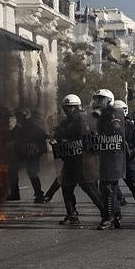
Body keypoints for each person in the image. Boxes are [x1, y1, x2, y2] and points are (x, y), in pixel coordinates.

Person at [52, 94, 103, 225]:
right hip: (69, 160)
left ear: (77, 107)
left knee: (90, 188)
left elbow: (87, 138)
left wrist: (67, 139)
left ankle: (106, 213)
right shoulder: (65, 122)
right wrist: (58, 140)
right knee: (66, 187)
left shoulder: (85, 120)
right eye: (66, 108)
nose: (69, 110)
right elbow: (59, 135)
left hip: (84, 160)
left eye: (72, 107)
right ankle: (71, 214)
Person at [90, 89, 125, 230]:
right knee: (107, 188)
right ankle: (116, 215)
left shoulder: (113, 114)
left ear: (109, 100)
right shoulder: (100, 116)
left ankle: (108, 217)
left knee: (108, 187)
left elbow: (117, 131)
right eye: (97, 99)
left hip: (114, 156)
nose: (99, 102)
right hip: (105, 156)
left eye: (102, 99)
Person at [7, 108, 48, 203]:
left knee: (32, 173)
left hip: (32, 154)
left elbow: (41, 137)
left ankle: (39, 195)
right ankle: (15, 194)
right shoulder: (21, 126)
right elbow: (10, 135)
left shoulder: (31, 126)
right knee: (12, 170)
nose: (18, 118)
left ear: (25, 116)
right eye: (17, 116)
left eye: (19, 116)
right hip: (22, 153)